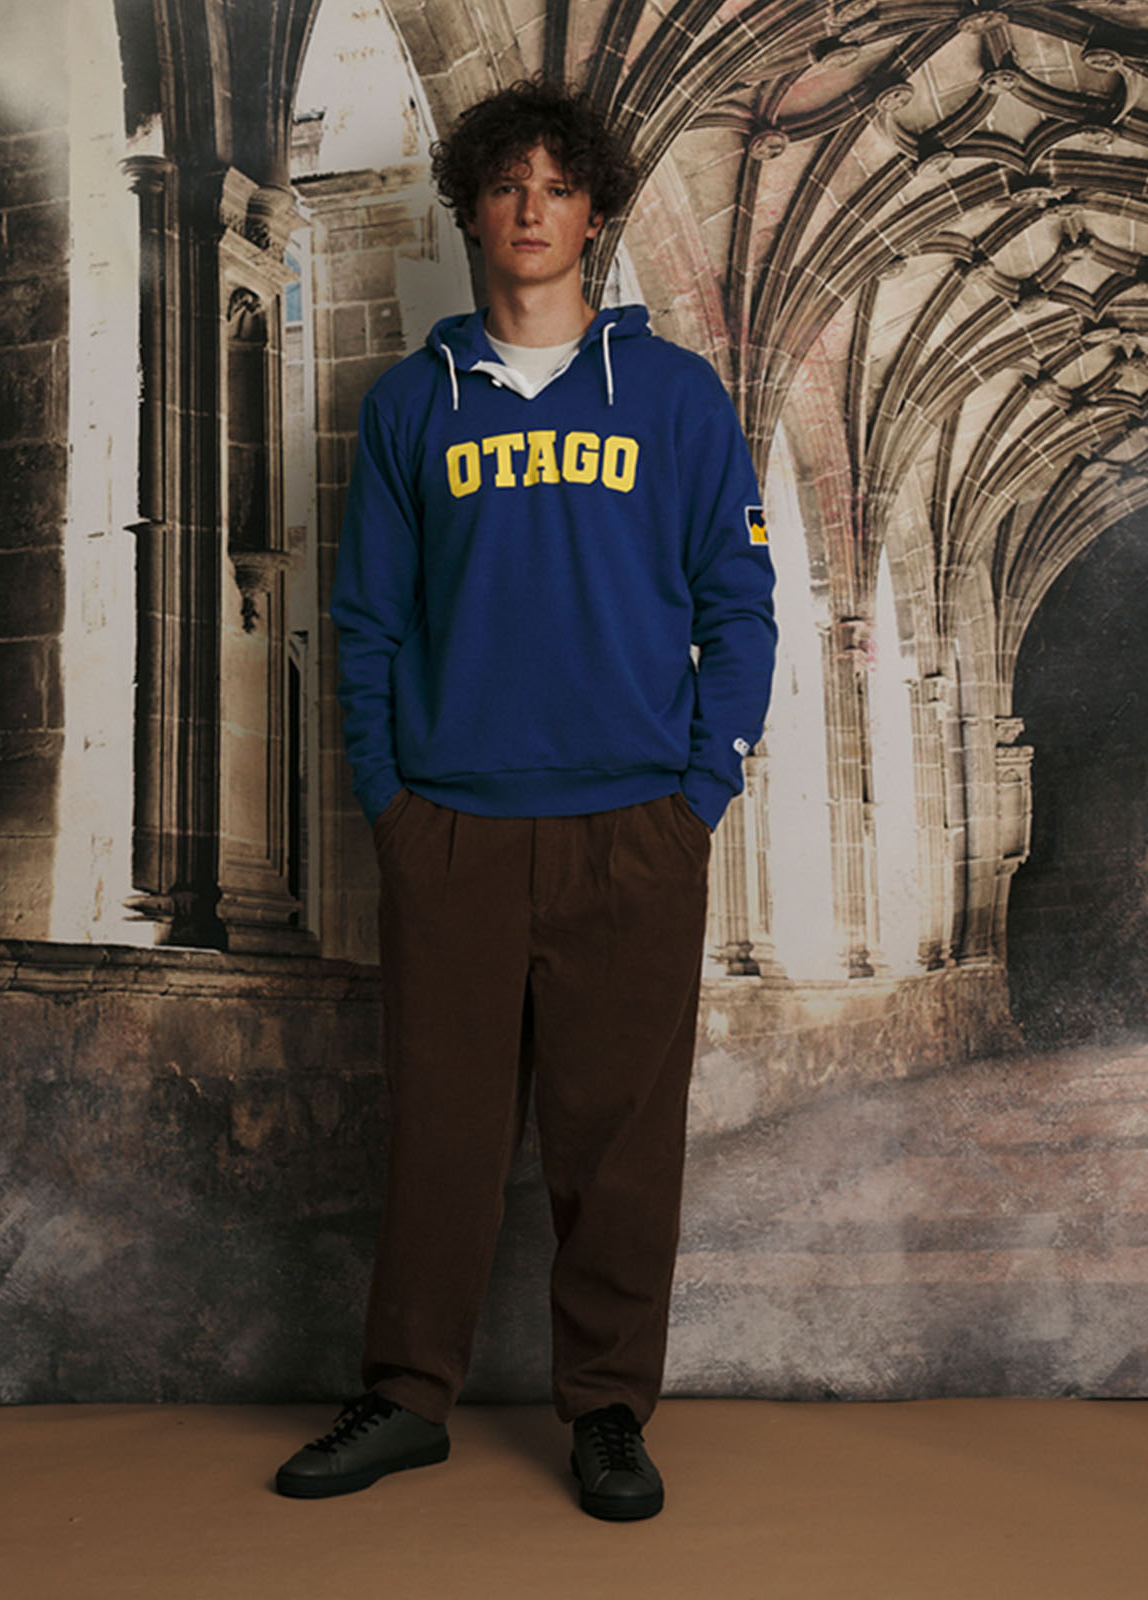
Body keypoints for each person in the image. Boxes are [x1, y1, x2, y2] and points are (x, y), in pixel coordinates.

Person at [276, 76, 776, 1521]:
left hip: (637, 829)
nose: (533, 210)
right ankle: (406, 1397)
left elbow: (740, 609)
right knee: (440, 1135)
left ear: (594, 213)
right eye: (508, 186)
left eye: (559, 187)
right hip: (454, 831)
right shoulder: (410, 406)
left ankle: (608, 1411)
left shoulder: (674, 399)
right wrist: (390, 801)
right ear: (474, 211)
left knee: (620, 1146)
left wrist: (699, 791)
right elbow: (366, 626)